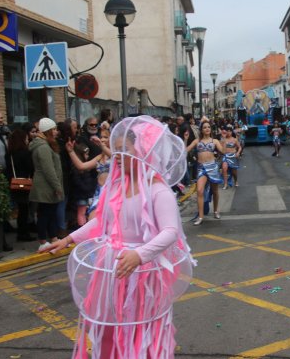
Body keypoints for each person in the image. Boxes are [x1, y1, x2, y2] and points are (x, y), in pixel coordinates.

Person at [41, 115, 194, 359]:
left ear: (142, 150)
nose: (118, 155)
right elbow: (102, 223)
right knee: (109, 327)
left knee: (139, 329)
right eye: (117, 149)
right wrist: (68, 240)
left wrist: (139, 255)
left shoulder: (158, 190)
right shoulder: (116, 186)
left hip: (141, 274)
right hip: (112, 268)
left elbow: (170, 232)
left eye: (125, 149)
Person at [29, 118, 63, 251]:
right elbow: (48, 170)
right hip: (45, 186)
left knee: (51, 212)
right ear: (47, 131)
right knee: (45, 213)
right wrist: (57, 187)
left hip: (48, 186)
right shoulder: (42, 147)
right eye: (53, 129)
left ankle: (53, 237)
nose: (56, 132)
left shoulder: (47, 144)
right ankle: (43, 240)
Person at [186, 121, 225, 225]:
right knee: (199, 190)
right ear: (201, 130)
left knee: (215, 190)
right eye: (204, 127)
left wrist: (224, 139)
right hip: (201, 168)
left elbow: (223, 151)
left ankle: (216, 211)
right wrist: (185, 139)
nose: (207, 129)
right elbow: (186, 150)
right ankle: (201, 216)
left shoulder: (215, 141)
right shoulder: (197, 141)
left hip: (212, 167)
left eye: (208, 127)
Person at [6, 128, 36, 242]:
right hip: (25, 184)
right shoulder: (25, 153)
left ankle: (22, 232)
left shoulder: (9, 154)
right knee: (24, 210)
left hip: (15, 184)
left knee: (21, 210)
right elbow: (31, 168)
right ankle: (24, 233)